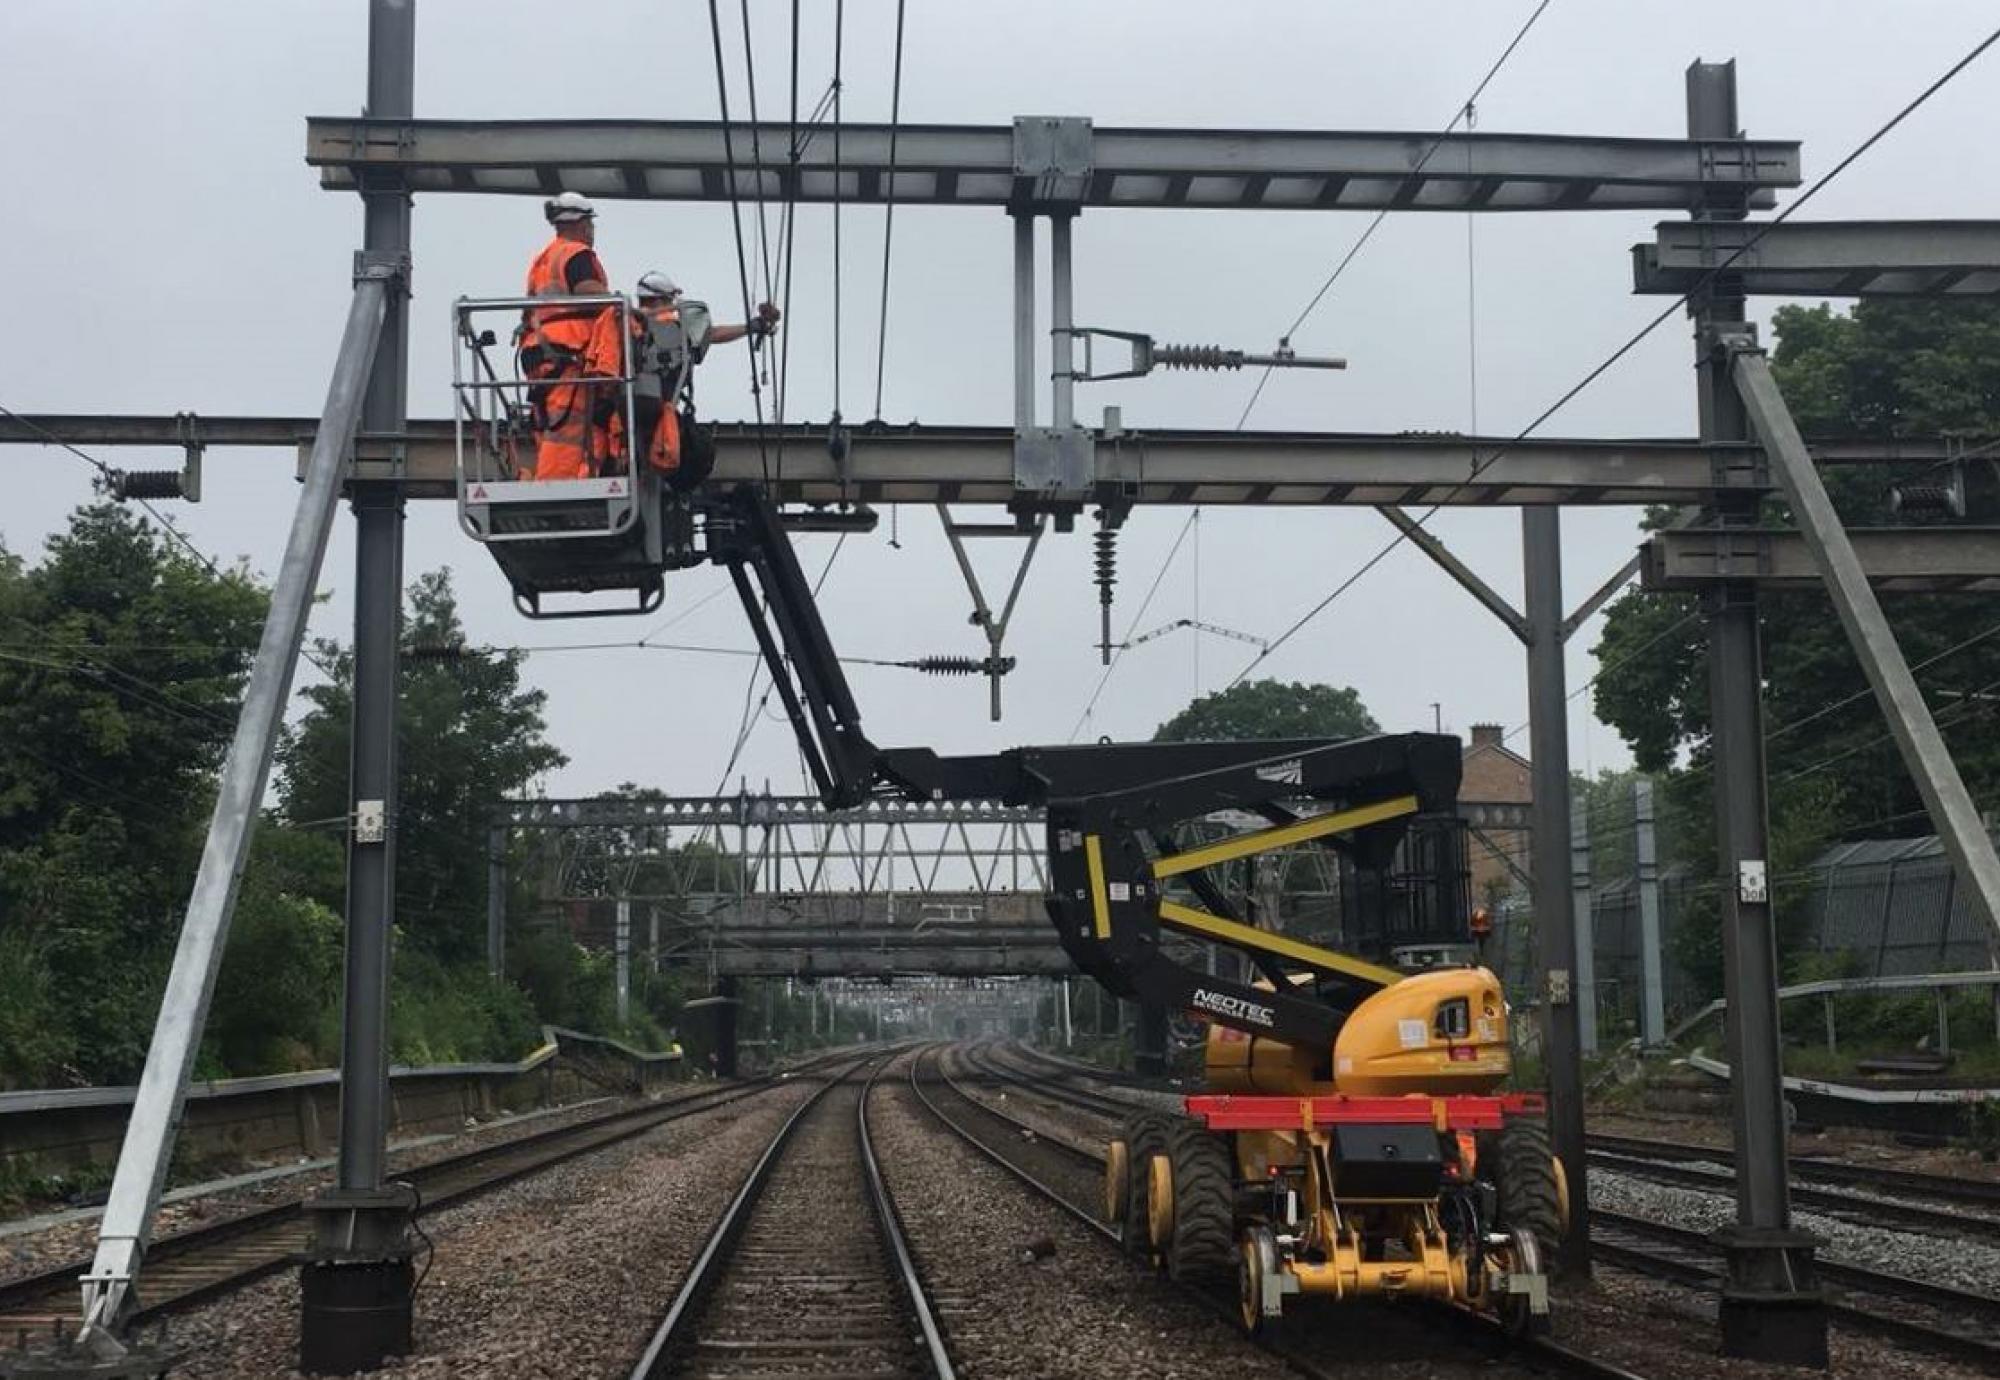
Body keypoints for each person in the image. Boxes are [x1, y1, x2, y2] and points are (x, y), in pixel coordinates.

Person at [584, 269, 780, 482]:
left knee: (619, 452)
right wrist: (751, 327)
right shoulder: (674, 326)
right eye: (670, 299)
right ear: (661, 299)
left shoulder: (620, 322)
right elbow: (712, 334)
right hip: (659, 406)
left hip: (616, 408)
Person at [520, 192, 612, 480]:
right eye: (590, 224)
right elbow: (587, 291)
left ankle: (569, 476)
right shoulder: (576, 253)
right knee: (566, 429)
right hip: (567, 352)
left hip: (539, 351)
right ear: (582, 224)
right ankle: (555, 486)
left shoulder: (543, 259)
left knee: (551, 423)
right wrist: (620, 304)